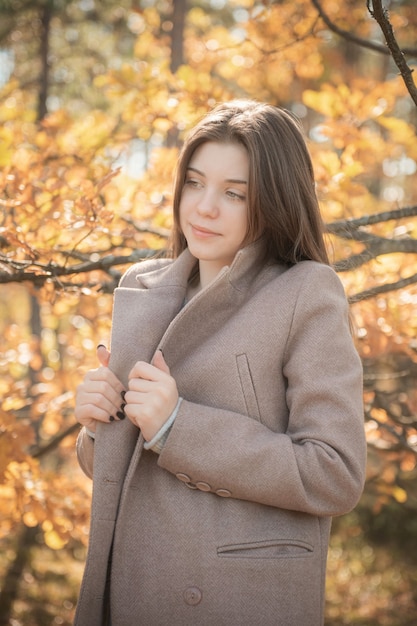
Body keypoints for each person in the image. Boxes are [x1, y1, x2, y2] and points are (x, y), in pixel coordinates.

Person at [74, 100, 366, 626]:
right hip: (135, 588)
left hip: (236, 597)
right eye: (194, 182)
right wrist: (98, 428)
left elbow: (335, 474)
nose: (205, 207)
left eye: (235, 194)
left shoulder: (306, 292)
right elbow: (122, 477)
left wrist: (177, 427)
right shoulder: (146, 287)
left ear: (274, 202)